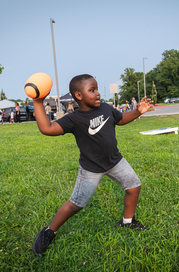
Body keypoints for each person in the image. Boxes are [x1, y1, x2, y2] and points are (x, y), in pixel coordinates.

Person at [32, 74, 153, 255]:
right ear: (78, 96)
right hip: (91, 169)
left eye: (96, 89)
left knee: (134, 186)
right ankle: (49, 232)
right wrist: (38, 102)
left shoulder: (105, 108)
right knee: (76, 204)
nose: (97, 94)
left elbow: (120, 120)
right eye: (92, 90)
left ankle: (127, 222)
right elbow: (47, 129)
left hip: (115, 161)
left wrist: (137, 111)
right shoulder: (74, 119)